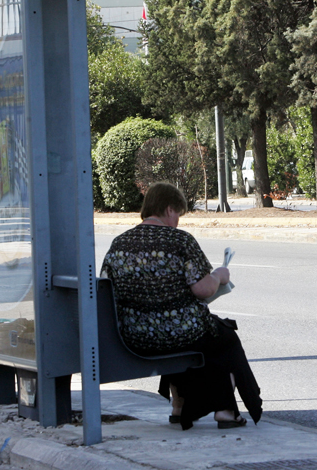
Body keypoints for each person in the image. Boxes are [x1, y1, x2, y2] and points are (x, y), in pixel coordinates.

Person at [101, 182, 262, 430]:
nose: (177, 221)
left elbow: (106, 288)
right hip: (177, 333)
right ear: (168, 209)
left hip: (133, 336)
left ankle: (179, 406)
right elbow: (202, 289)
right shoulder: (180, 241)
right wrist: (219, 275)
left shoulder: (119, 244)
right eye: (177, 214)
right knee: (224, 337)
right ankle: (226, 410)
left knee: (177, 331)